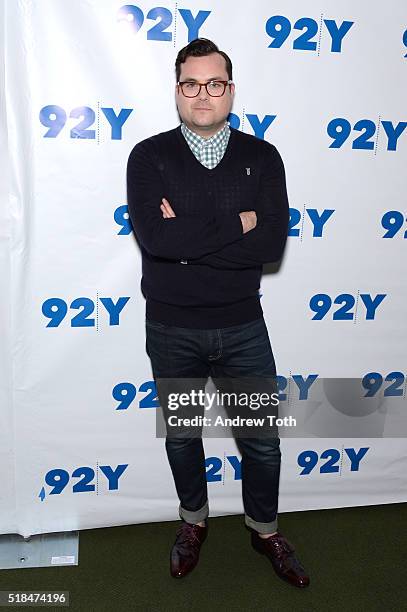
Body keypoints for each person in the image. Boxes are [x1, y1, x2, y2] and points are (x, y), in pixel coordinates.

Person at [126, 38, 310, 588]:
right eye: (191, 84)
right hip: (172, 327)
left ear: (230, 89)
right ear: (177, 90)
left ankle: (265, 528)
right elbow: (158, 241)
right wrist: (239, 222)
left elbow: (271, 245)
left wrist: (190, 233)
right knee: (183, 435)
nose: (202, 94)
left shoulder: (262, 157)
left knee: (261, 440)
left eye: (214, 83)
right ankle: (192, 522)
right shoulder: (148, 156)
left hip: (242, 326)